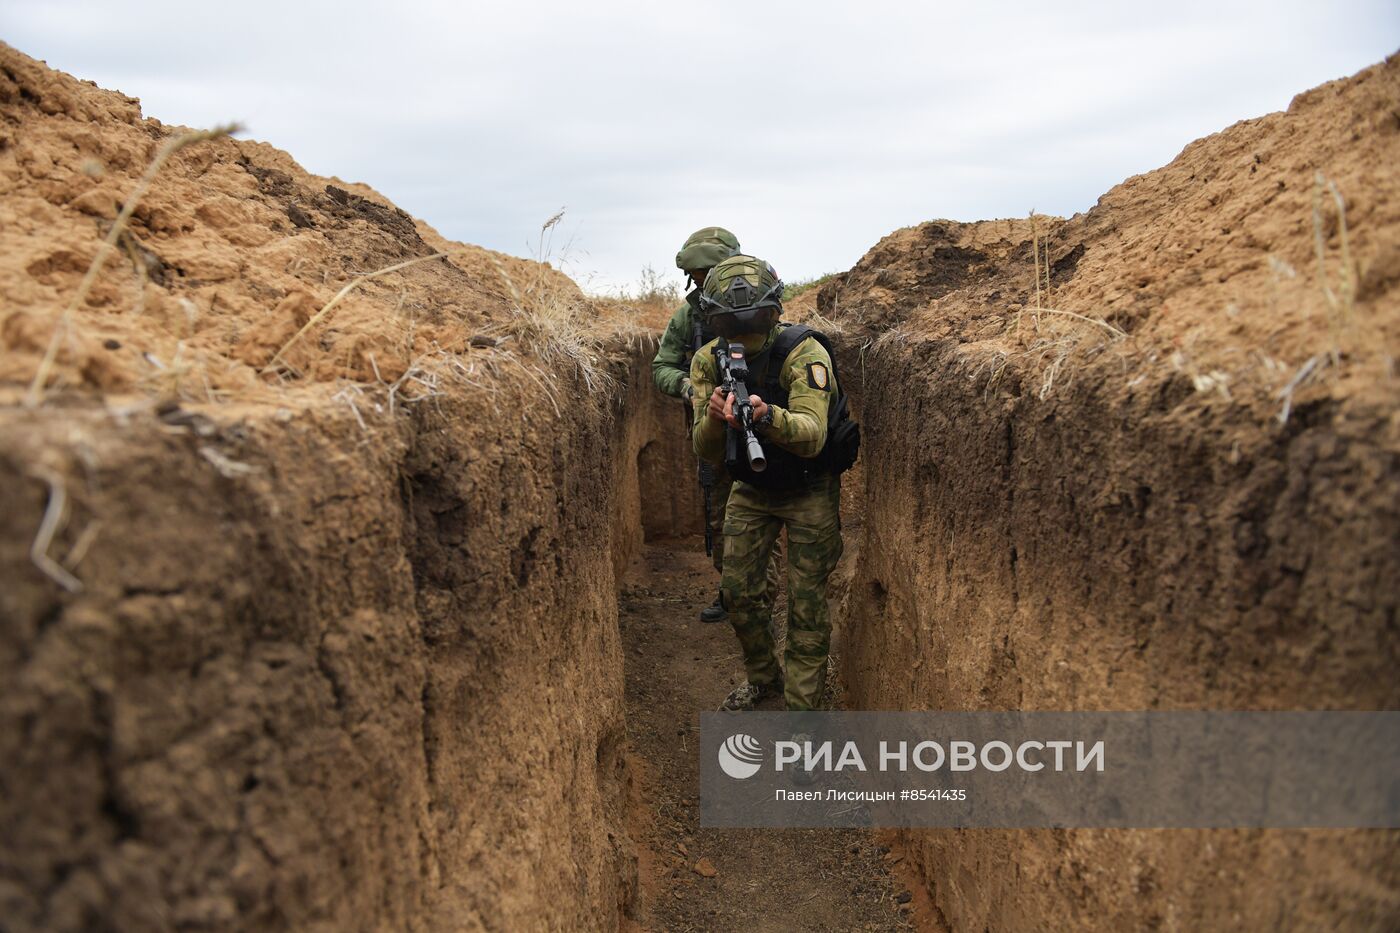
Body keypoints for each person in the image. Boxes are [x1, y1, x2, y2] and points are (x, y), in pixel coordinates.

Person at [688, 254, 855, 712]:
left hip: (808, 488)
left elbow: (813, 436)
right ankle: (764, 679)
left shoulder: (804, 353)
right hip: (752, 487)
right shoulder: (708, 361)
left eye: (751, 322)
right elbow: (703, 449)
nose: (743, 336)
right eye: (731, 323)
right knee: (738, 594)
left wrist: (767, 417)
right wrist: (718, 417)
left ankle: (803, 718)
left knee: (806, 607)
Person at [651, 228, 780, 624]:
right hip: (713, 433)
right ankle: (732, 592)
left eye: (713, 271)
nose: (707, 280)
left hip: (761, 424)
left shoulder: (761, 305)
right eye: (701, 273)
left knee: (763, 509)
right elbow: (662, 368)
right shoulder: (688, 317)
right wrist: (693, 387)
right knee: (722, 516)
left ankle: (762, 598)